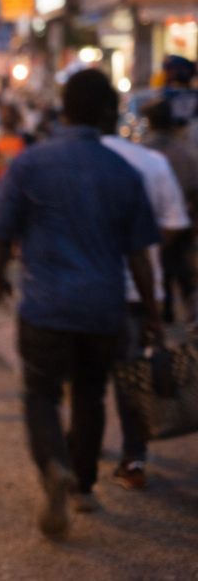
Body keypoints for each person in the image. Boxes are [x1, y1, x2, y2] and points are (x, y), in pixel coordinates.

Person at [0, 69, 163, 540]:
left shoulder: (31, 162)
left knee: (41, 393)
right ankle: (82, 486)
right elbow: (140, 256)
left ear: (62, 108)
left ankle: (53, 466)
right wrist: (153, 314)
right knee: (90, 393)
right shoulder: (124, 170)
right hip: (104, 308)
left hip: (45, 306)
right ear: (106, 113)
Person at [102, 129, 190, 489]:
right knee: (131, 377)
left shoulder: (58, 161)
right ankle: (133, 459)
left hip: (86, 290)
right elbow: (173, 223)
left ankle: (78, 464)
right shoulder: (150, 163)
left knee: (85, 381)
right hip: (134, 293)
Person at [143, 99, 198, 326]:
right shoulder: (185, 151)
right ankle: (189, 314)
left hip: (156, 223)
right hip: (183, 221)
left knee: (161, 270)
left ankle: (164, 315)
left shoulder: (144, 151)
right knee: (184, 271)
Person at [0, 103, 26, 180]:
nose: (7, 117)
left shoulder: (24, 137)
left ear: (15, 116)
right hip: (0, 180)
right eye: (4, 115)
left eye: (9, 114)